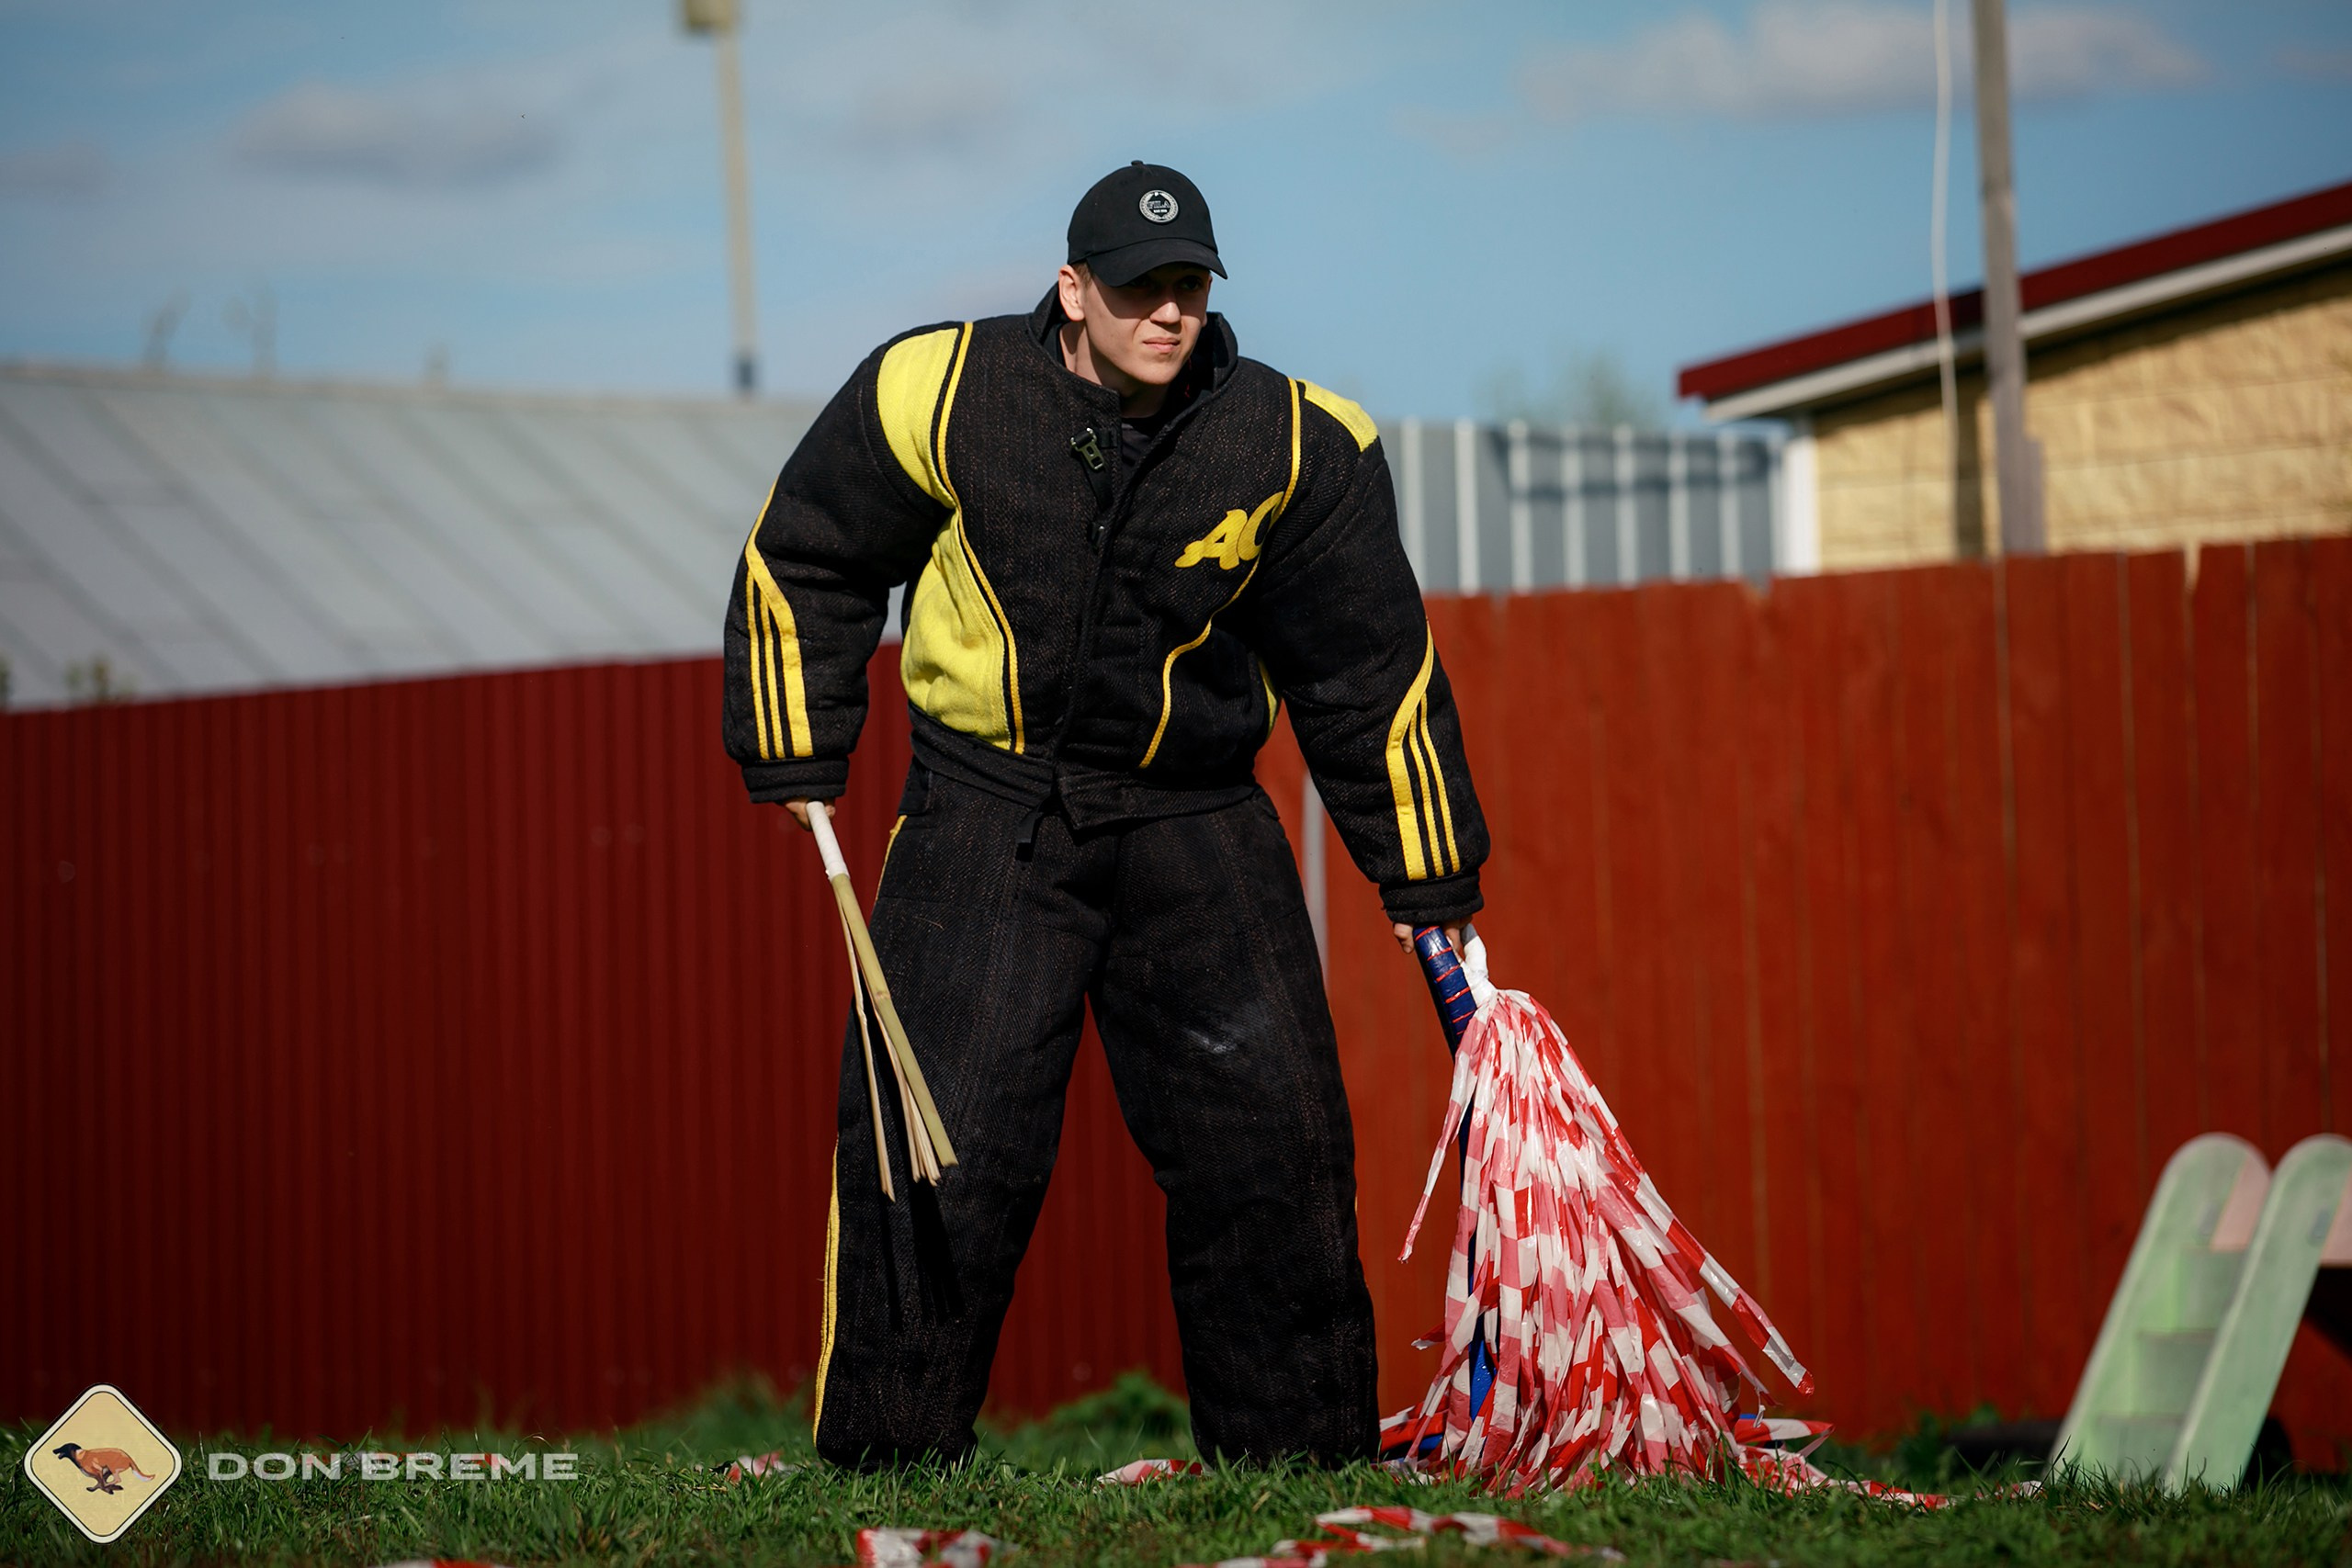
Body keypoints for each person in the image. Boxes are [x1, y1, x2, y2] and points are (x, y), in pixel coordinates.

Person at [721, 161, 1488, 1468]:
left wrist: (1427, 878)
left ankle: (1297, 1477)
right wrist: (798, 748)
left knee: (1278, 1151)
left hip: (1196, 820)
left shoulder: (1301, 443)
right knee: (937, 1153)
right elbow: (810, 553)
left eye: (1189, 286)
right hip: (985, 815)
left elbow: (1369, 670)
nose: (1168, 313)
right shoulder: (940, 390)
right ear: (1074, 290)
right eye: (1139, 288)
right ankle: (888, 1467)